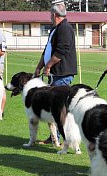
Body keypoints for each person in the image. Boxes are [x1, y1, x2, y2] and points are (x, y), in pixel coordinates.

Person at [34, 2, 77, 144]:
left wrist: (48, 66)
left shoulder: (64, 28)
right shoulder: (56, 28)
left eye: (50, 15)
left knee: (60, 109)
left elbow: (61, 51)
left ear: (54, 15)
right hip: (54, 74)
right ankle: (54, 137)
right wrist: (39, 66)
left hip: (61, 74)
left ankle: (64, 138)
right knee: (54, 108)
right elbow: (47, 50)